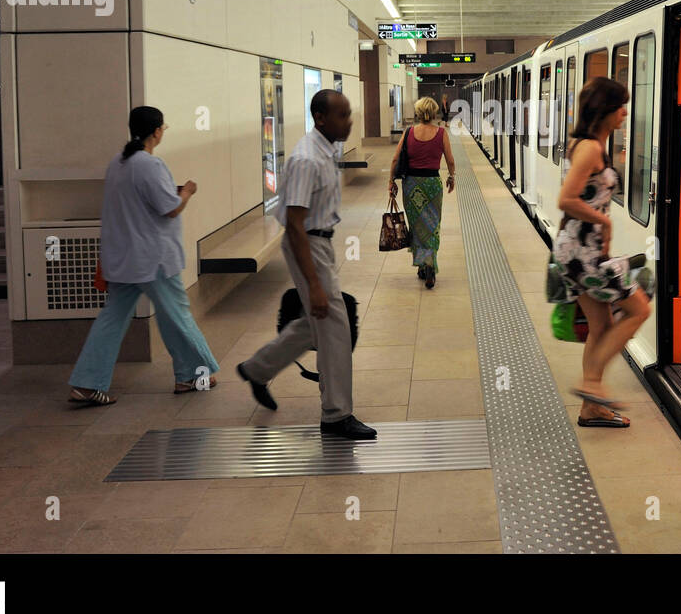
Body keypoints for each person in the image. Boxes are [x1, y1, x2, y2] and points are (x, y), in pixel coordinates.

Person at [237, 90, 376, 439]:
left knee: (317, 324)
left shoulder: (327, 149)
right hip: (307, 244)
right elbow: (295, 225)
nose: (350, 120)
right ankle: (336, 415)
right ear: (321, 118)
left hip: (320, 243)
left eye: (349, 113)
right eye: (343, 115)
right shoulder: (306, 159)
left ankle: (257, 368)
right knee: (335, 331)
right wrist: (313, 283)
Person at [68, 106, 219, 406]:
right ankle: (195, 373)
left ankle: (86, 384)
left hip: (122, 258)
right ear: (157, 131)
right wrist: (187, 191)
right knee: (177, 315)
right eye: (163, 127)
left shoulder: (119, 163)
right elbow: (170, 208)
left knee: (112, 320)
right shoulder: (150, 165)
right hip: (153, 259)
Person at [554, 76, 652, 429]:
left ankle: (590, 408)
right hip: (581, 252)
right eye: (620, 106)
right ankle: (591, 384)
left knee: (602, 324)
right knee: (639, 308)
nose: (625, 113)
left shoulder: (589, 143)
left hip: (581, 249)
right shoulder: (590, 149)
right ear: (606, 110)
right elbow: (566, 199)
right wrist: (605, 223)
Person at [389, 96, 455, 288]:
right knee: (432, 225)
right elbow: (450, 160)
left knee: (418, 227)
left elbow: (395, 159)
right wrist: (451, 177)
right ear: (434, 112)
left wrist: (391, 181)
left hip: (412, 185)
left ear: (418, 113)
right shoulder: (441, 133)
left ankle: (423, 265)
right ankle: (429, 266)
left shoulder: (408, 132)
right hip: (433, 185)